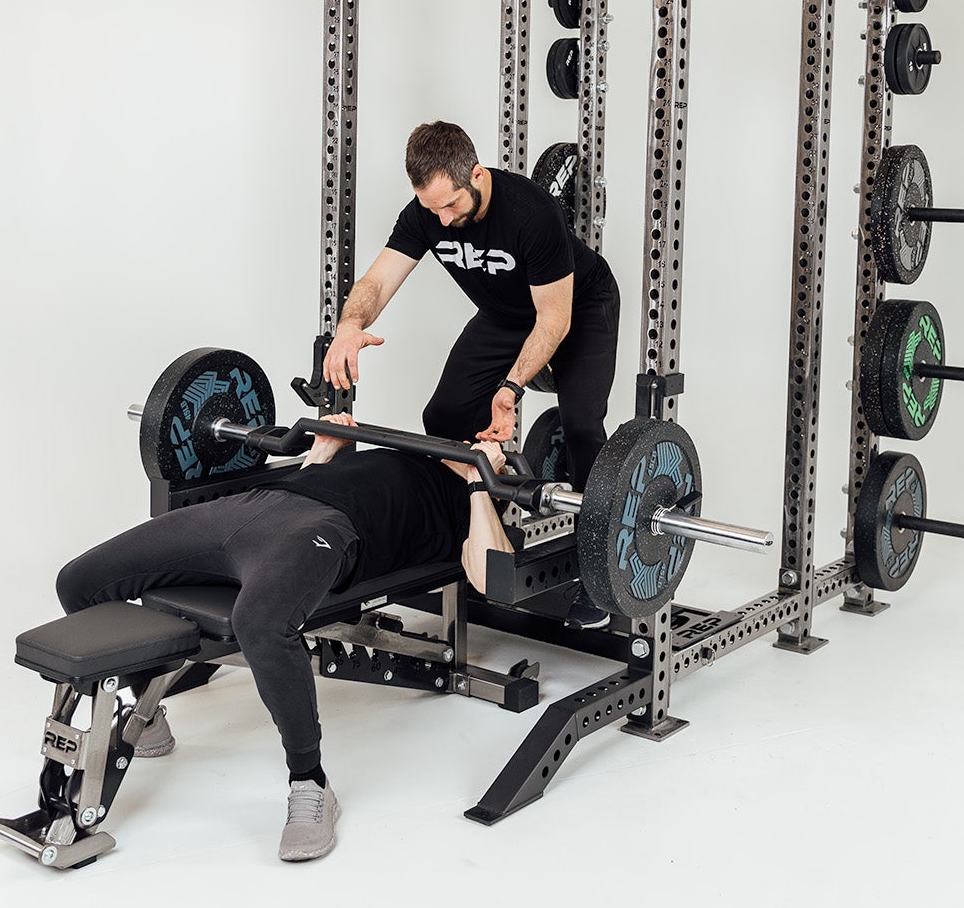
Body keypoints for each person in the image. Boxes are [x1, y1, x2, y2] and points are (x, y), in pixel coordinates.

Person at [54, 416, 512, 862]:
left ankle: (310, 781)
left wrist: (479, 479)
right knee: (79, 581)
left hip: (322, 530)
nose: (486, 436)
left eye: (500, 442)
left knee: (260, 624)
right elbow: (319, 478)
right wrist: (323, 453)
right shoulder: (408, 450)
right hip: (253, 505)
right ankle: (146, 714)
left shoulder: (476, 500)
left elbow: (490, 577)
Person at [324, 121, 621, 627]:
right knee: (444, 414)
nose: (441, 218)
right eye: (430, 207)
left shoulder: (531, 214)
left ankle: (600, 571)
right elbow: (378, 280)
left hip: (578, 306)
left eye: (450, 205)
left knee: (580, 425)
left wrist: (510, 389)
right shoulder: (425, 214)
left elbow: (554, 320)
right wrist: (350, 326)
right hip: (506, 315)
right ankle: (477, 528)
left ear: (476, 174)